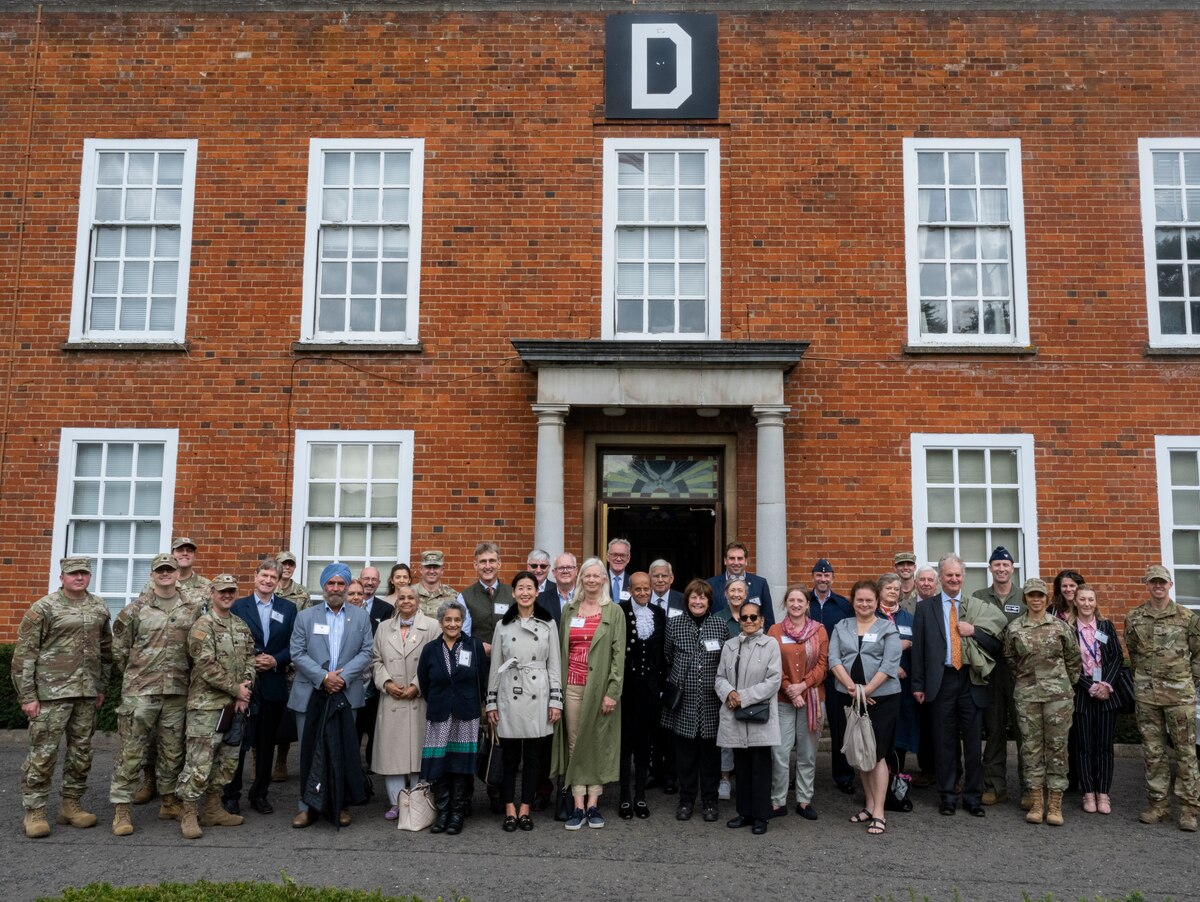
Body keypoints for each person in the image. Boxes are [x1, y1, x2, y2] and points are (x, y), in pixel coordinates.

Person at [12, 557, 112, 839]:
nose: (79, 578)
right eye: (73, 574)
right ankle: (35, 810)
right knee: (43, 754)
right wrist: (28, 696)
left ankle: (71, 804)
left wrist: (100, 686)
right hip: (50, 695)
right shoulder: (43, 608)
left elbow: (106, 652)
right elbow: (24, 656)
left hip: (85, 693)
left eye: (84, 573)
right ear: (62, 577)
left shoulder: (99, 607)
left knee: (81, 753)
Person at [109, 552, 204, 835]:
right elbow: (119, 650)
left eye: (170, 570)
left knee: (173, 751)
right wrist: (138, 674)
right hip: (141, 691)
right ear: (152, 575)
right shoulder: (135, 610)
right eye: (160, 570)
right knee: (131, 751)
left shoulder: (193, 608)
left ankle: (169, 801)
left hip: (177, 689)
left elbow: (198, 648)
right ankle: (122, 809)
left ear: (178, 574)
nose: (165, 574)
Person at [911, 553, 1006, 818]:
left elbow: (997, 645)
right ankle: (947, 795)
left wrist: (973, 630)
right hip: (941, 681)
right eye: (949, 575)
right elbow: (918, 650)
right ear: (940, 578)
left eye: (958, 575)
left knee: (973, 742)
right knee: (944, 742)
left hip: (970, 680)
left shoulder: (977, 609)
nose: (954, 579)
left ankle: (973, 797)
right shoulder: (925, 608)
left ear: (963, 578)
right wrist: (918, 684)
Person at [289, 562, 375, 829]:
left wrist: (343, 677)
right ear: (323, 586)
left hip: (346, 693)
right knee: (309, 750)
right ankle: (306, 806)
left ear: (348, 586)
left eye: (341, 583)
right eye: (331, 583)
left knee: (343, 751)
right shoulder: (306, 616)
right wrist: (324, 677)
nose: (336, 588)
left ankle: (341, 805)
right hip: (311, 692)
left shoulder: (360, 617)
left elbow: (366, 652)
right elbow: (297, 653)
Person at [175, 575, 255, 839]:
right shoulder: (203, 626)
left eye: (231, 591)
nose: (227, 595)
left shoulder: (241, 626)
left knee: (227, 761)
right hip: (206, 707)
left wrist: (245, 690)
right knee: (199, 763)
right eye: (222, 591)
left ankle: (212, 809)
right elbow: (206, 665)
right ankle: (188, 813)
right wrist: (236, 689)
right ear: (212, 593)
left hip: (234, 707)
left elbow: (250, 660)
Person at [552, 556, 626, 830]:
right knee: (574, 742)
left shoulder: (613, 612)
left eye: (597, 576)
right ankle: (577, 804)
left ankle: (593, 804)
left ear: (604, 580)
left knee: (596, 741)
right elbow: (562, 650)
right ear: (580, 579)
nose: (592, 580)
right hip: (572, 685)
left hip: (600, 689)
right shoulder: (570, 610)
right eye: (587, 575)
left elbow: (619, 656)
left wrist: (612, 692)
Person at [1125, 565, 1200, 832]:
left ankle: (1189, 810)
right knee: (1153, 753)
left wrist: (1189, 681)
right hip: (1147, 696)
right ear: (1147, 584)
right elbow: (1133, 653)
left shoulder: (1187, 617)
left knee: (1185, 753)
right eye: (1153, 582)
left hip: (1179, 695)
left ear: (1170, 584)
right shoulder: (1135, 617)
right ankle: (1158, 806)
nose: (1158, 586)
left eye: (1162, 582)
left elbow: (1198, 654)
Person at [486, 571, 562, 831]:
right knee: (509, 757)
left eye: (530, 588)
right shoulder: (503, 625)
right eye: (521, 588)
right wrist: (492, 702)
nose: (526, 593)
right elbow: (495, 666)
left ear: (537, 591)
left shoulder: (548, 622)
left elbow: (554, 665)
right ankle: (509, 808)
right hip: (509, 691)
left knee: (533, 757)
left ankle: (525, 808)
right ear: (514, 592)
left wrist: (556, 700)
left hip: (538, 693)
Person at [1003, 578, 1080, 826]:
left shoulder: (1060, 627)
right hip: (1027, 697)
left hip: (1058, 699)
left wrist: (1062, 685)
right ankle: (1036, 803)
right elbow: (1011, 660)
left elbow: (1073, 660)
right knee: (1031, 749)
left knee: (1057, 749)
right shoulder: (1015, 629)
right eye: (1031, 596)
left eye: (1040, 596)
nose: (1036, 600)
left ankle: (1055, 804)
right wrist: (1028, 684)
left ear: (1047, 599)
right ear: (1025, 599)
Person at [223, 558, 296, 818]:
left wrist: (276, 659)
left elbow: (294, 644)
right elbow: (228, 640)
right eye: (264, 575)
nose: (267, 581)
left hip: (274, 683)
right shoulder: (238, 606)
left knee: (267, 743)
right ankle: (231, 795)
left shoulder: (289, 608)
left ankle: (260, 794)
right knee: (238, 741)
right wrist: (250, 660)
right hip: (244, 684)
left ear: (279, 581)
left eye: (273, 578)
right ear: (255, 576)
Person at [828, 580, 903, 836]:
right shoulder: (842, 626)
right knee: (861, 751)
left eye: (869, 600)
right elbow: (834, 659)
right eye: (859, 600)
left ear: (877, 601)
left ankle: (880, 811)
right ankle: (869, 805)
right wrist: (853, 689)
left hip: (882, 699)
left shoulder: (887, 628)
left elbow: (890, 662)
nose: (864, 604)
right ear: (853, 601)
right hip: (849, 696)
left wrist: (867, 690)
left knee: (877, 753)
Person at [418, 600, 489, 835]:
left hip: (466, 715)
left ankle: (457, 813)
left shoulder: (474, 647)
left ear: (463, 621)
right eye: (447, 619)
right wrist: (441, 701)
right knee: (439, 766)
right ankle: (442, 813)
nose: (452, 624)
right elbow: (425, 683)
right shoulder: (430, 649)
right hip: (439, 715)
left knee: (460, 766)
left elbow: (482, 680)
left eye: (457, 619)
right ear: (440, 622)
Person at [662, 578, 727, 824]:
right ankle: (686, 800)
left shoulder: (719, 625)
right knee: (686, 755)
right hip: (684, 701)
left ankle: (709, 801)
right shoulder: (675, 624)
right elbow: (668, 655)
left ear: (709, 601)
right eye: (694, 597)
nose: (698, 601)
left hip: (711, 701)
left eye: (702, 598)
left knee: (711, 755)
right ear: (687, 600)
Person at [371, 584, 438, 820]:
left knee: (419, 752)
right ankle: (397, 802)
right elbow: (376, 660)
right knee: (393, 754)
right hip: (392, 698)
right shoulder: (383, 627)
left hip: (418, 698)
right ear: (396, 601)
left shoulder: (432, 626)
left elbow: (435, 661)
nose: (406, 601)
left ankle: (419, 800)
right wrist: (387, 683)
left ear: (418, 601)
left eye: (411, 597)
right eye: (402, 597)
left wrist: (416, 686)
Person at [715, 600, 782, 835]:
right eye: (745, 618)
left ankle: (761, 815)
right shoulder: (730, 645)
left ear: (762, 620)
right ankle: (744, 812)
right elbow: (720, 677)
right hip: (735, 714)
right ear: (739, 620)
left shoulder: (771, 644)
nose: (750, 621)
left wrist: (741, 696)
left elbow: (773, 681)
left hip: (758, 714)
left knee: (760, 767)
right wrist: (729, 693)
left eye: (754, 617)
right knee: (741, 767)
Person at [768, 584, 827, 821]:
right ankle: (778, 801)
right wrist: (789, 689)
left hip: (811, 698)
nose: (795, 604)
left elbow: (823, 664)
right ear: (785, 603)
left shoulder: (819, 631)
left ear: (807, 604)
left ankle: (804, 800)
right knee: (780, 752)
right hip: (782, 698)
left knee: (807, 753)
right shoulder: (774, 630)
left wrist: (803, 686)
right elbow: (771, 664)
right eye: (791, 600)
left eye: (800, 601)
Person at [973, 546, 1026, 807]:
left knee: (1024, 729)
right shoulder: (979, 597)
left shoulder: (1026, 596)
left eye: (1006, 565)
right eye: (997, 565)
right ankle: (995, 785)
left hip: (1020, 673)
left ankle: (1029, 789)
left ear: (1012, 569)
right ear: (990, 568)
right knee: (993, 729)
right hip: (990, 670)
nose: (1001, 569)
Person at [1068, 585, 1123, 815]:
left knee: (1104, 746)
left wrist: (1104, 685)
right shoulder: (1069, 629)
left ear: (1096, 602)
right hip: (1082, 692)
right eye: (1083, 599)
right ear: (1076, 602)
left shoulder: (1106, 626)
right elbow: (1068, 663)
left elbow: (1117, 657)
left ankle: (1103, 793)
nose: (1087, 603)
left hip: (1106, 692)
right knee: (1084, 746)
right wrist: (1089, 686)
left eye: (1091, 599)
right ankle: (1088, 792)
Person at [617, 571, 666, 819]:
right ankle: (625, 796)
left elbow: (662, 652)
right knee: (626, 743)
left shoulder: (659, 613)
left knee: (645, 742)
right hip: (627, 687)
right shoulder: (620, 611)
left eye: (647, 588)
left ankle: (640, 796)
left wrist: (661, 685)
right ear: (630, 589)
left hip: (649, 688)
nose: (644, 592)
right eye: (638, 589)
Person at [808, 558, 855, 795]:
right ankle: (804, 777)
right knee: (806, 728)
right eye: (819, 575)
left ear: (832, 578)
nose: (823, 579)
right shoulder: (803, 602)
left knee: (840, 726)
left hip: (837, 673)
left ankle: (844, 775)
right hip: (809, 674)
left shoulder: (843, 605)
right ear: (813, 577)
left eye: (827, 576)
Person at [877, 572, 919, 777]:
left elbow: (918, 649)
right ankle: (879, 779)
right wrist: (892, 663)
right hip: (878, 686)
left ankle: (897, 777)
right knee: (882, 733)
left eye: (896, 588)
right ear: (880, 591)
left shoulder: (908, 618)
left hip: (905, 687)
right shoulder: (872, 617)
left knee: (902, 731)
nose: (893, 591)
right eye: (888, 588)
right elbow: (866, 649)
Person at [716, 576, 752, 799]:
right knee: (727, 735)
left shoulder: (753, 616)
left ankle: (746, 779)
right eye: (733, 590)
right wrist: (727, 691)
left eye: (740, 590)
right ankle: (725, 779)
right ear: (726, 594)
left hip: (749, 687)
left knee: (748, 733)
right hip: (726, 685)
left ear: (746, 595)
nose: (736, 594)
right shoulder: (719, 618)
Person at [356, 567, 395, 772]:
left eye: (374, 579)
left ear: (379, 583)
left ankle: (373, 764)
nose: (369, 582)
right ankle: (351, 764)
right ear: (360, 580)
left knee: (373, 723)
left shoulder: (385, 608)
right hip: (352, 674)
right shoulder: (350, 604)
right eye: (366, 578)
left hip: (374, 671)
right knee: (354, 723)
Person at [457, 541, 512, 649]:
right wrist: (477, 646)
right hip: (477, 660)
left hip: (508, 659)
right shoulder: (464, 597)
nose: (487, 566)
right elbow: (462, 634)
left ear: (499, 564)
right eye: (483, 562)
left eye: (492, 561)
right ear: (475, 565)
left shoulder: (513, 594)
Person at [707, 541, 775, 626]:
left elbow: (768, 619)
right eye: (732, 558)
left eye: (740, 558)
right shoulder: (711, 584)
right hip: (721, 636)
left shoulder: (760, 584)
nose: (736, 563)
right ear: (725, 561)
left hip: (752, 637)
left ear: (746, 561)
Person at [415, 550, 458, 620]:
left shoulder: (453, 596)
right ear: (420, 569)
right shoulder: (410, 594)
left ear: (442, 570)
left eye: (436, 567)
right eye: (428, 567)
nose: (432, 571)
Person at [538, 553, 577, 628]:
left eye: (569, 567)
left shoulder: (585, 597)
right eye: (560, 568)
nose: (565, 571)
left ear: (576, 571)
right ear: (554, 573)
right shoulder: (541, 599)